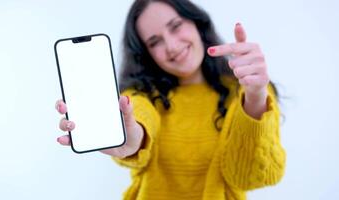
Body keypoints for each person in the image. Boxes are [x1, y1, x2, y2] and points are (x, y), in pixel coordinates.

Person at [55, 0, 286, 199]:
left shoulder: (248, 92)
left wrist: (255, 96)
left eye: (176, 26)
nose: (172, 47)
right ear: (146, 53)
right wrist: (132, 138)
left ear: (196, 22)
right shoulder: (140, 97)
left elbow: (249, 177)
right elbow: (140, 120)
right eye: (155, 42)